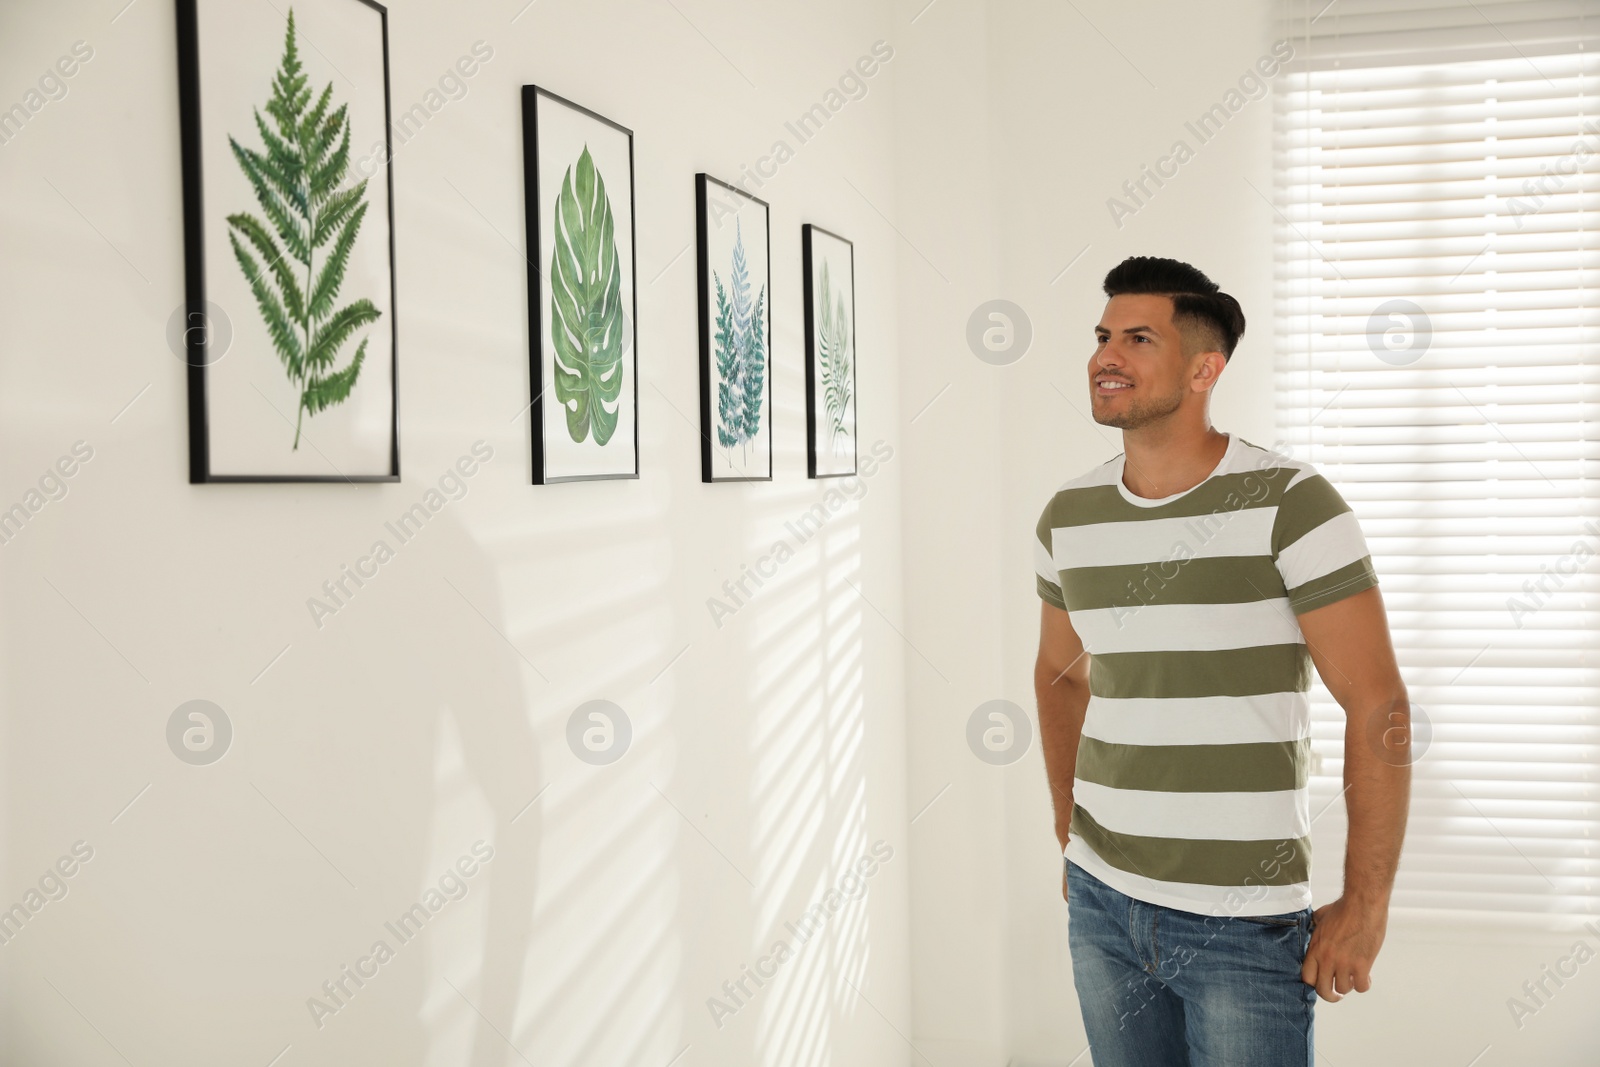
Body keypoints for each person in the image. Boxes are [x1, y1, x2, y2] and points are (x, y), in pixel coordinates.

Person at [1033, 256, 1411, 1066]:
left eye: (1139, 337)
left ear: (1206, 367)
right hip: (1103, 904)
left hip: (1242, 919)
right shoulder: (1069, 514)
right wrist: (1071, 835)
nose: (1107, 356)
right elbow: (1059, 674)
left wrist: (1368, 905)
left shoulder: (1290, 502)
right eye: (1103, 336)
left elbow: (1379, 702)